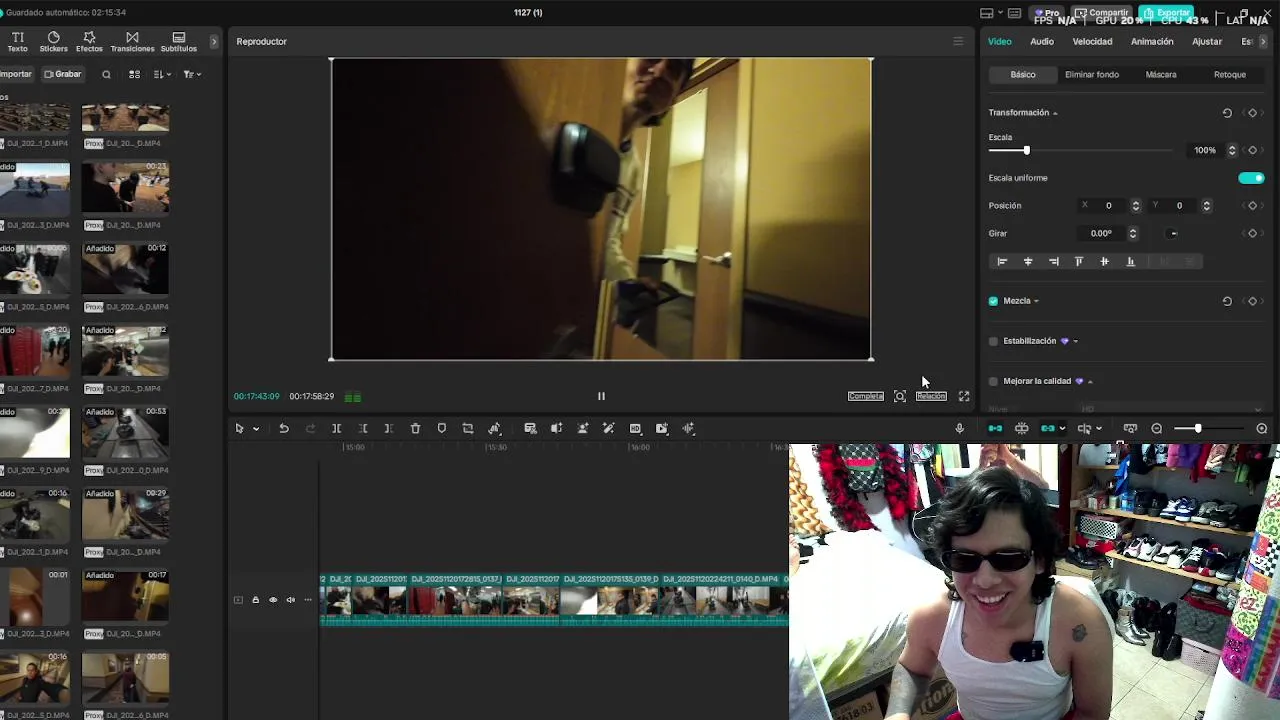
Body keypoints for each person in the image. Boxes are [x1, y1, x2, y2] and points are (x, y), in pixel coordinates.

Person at [886, 467, 1111, 720]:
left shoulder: (1078, 622)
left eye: (1008, 558)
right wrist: (897, 713)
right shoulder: (932, 618)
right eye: (964, 559)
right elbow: (911, 669)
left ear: (1040, 560)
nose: (984, 581)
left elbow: (1092, 713)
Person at [602, 58, 696, 287]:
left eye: (674, 68)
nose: (660, 70)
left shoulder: (633, 170)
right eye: (652, 55)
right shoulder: (570, 110)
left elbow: (608, 241)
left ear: (672, 100)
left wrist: (627, 283)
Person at [979, 444, 1048, 489]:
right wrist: (982, 464)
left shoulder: (1019, 473)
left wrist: (1008, 457)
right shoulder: (981, 473)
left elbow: (1043, 487)